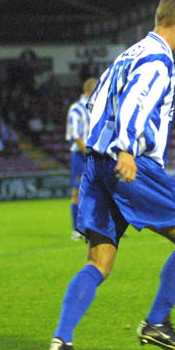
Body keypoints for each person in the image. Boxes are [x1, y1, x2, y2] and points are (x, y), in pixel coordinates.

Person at [49, 0, 175, 350]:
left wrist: (108, 150)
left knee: (98, 260)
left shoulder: (128, 54)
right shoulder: (158, 60)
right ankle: (156, 322)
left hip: (96, 163)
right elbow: (136, 101)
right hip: (131, 163)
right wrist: (125, 149)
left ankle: (62, 338)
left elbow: (96, 104)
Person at [65, 77, 98, 241]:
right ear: (89, 91)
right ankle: (78, 230)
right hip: (81, 156)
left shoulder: (100, 108)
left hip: (98, 155)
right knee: (77, 192)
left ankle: (103, 227)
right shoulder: (76, 109)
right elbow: (75, 135)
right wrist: (89, 152)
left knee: (105, 191)